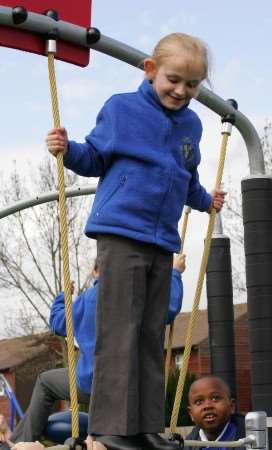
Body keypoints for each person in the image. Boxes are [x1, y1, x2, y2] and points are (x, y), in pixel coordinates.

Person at [46, 32, 225, 450]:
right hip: (121, 231)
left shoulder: (191, 124)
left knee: (150, 333)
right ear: (151, 70)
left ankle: (146, 426)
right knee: (119, 331)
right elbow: (94, 157)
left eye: (192, 85)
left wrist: (204, 201)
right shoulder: (121, 109)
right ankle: (109, 428)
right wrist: (66, 148)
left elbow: (186, 177)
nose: (181, 91)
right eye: (173, 79)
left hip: (161, 239)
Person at [7, 255, 186, 445]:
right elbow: (168, 308)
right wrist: (175, 273)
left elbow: (58, 323)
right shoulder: (136, 295)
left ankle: (19, 442)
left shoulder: (86, 300)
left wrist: (64, 297)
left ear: (95, 271)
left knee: (45, 382)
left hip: (91, 383)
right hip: (129, 386)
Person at [185, 375, 245, 450]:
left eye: (215, 398)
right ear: (191, 414)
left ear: (231, 407)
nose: (207, 406)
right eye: (199, 402)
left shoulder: (249, 440)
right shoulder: (188, 444)